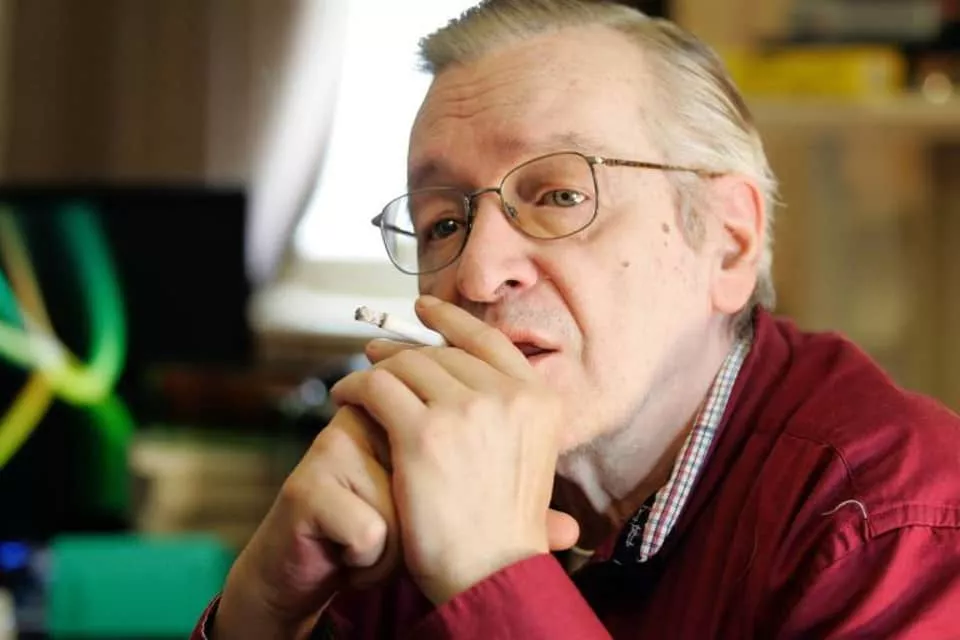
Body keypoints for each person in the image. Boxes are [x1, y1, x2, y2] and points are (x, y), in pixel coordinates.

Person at [194, 1, 960, 638]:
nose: (478, 275)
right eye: (442, 223)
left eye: (560, 197)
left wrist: (494, 575)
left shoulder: (893, 526)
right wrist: (261, 611)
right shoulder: (418, 477)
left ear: (727, 242)